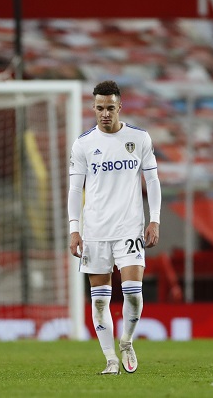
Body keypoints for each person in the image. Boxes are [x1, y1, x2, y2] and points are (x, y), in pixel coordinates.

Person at [68, 80, 161, 375]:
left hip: (129, 228)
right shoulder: (83, 143)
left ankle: (127, 341)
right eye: (99, 108)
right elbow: (74, 189)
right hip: (95, 231)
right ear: (93, 108)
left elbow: (153, 181)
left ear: (120, 107)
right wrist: (74, 228)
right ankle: (110, 359)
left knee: (133, 292)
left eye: (110, 108)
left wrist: (155, 219)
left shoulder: (140, 139)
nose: (104, 113)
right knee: (99, 302)